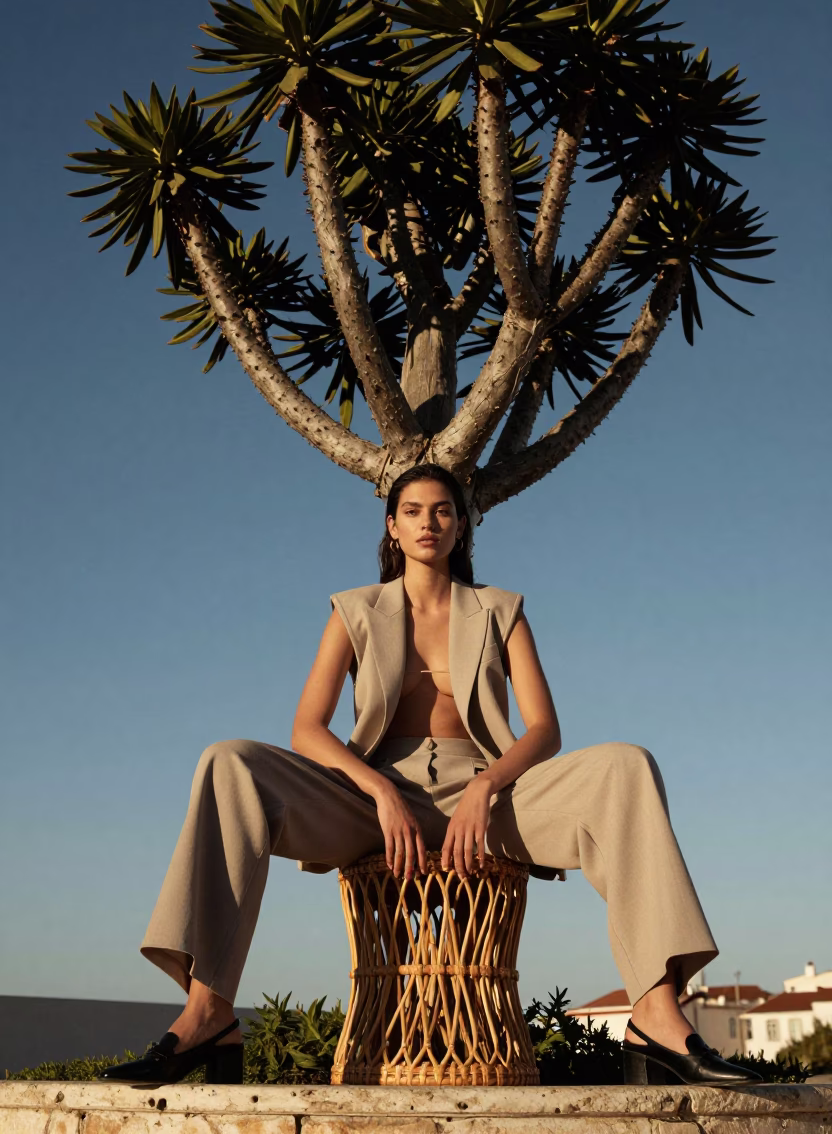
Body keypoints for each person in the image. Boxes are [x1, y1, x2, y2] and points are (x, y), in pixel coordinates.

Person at [101, 463, 761, 1087]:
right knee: (229, 762)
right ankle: (207, 1012)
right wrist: (379, 789)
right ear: (392, 526)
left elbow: (543, 730)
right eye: (412, 511)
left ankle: (654, 1010)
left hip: (490, 795)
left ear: (461, 525)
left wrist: (485, 786)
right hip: (369, 800)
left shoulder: (501, 609)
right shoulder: (354, 609)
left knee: (626, 765)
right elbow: (308, 727)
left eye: (442, 511)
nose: (427, 522)